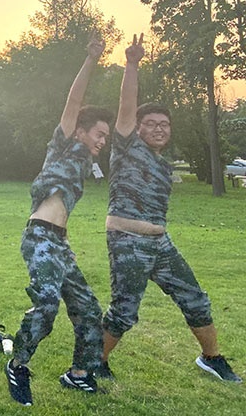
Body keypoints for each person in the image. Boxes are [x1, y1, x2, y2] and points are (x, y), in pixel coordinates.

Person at [99, 34, 242, 383]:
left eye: (164, 125)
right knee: (124, 312)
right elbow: (126, 106)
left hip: (161, 244)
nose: (159, 129)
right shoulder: (127, 147)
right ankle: (93, 363)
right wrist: (131, 65)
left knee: (195, 298)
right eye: (151, 124)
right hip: (129, 242)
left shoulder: (163, 165)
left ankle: (211, 358)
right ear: (137, 129)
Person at [5, 39, 111, 407]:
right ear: (80, 130)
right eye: (99, 134)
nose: (103, 141)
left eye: (106, 137)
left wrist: (65, 244)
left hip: (59, 243)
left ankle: (77, 375)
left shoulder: (83, 163)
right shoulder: (63, 145)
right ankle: (17, 365)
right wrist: (91, 59)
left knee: (89, 310)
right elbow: (74, 101)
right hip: (39, 238)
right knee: (47, 305)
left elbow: (62, 211)